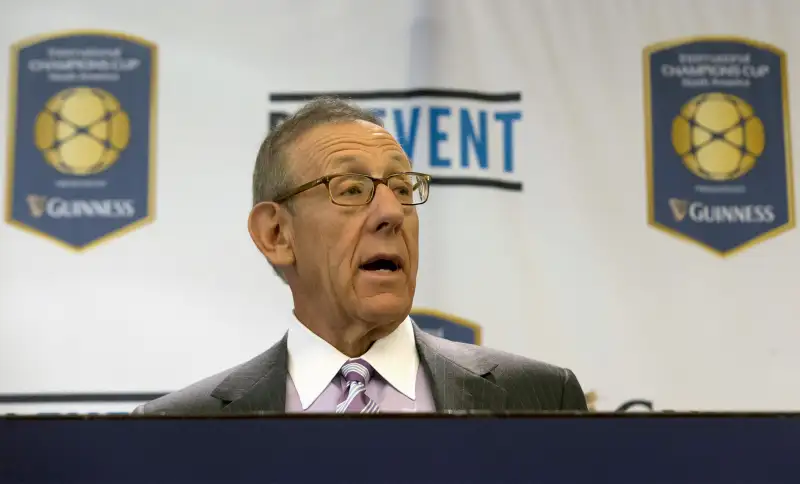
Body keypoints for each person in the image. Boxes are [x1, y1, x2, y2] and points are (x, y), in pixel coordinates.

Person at [133, 97, 588, 415]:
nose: (391, 212)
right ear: (276, 233)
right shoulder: (179, 427)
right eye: (351, 190)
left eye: (403, 188)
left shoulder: (542, 398)